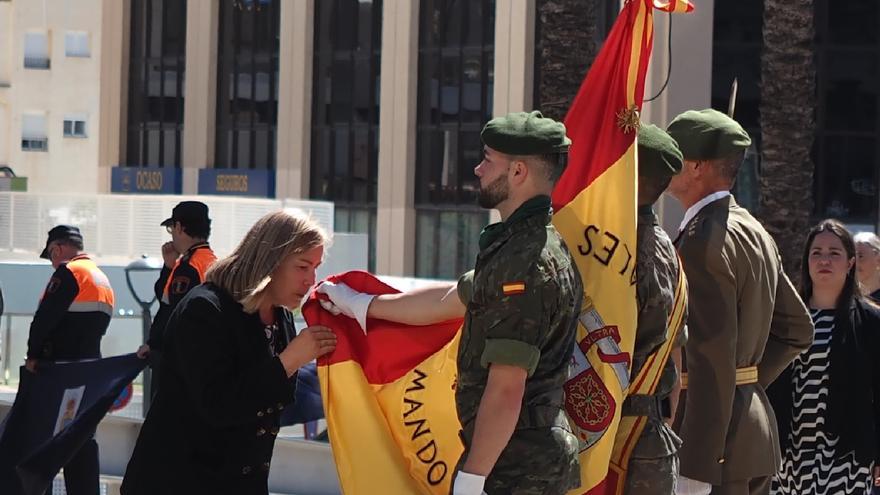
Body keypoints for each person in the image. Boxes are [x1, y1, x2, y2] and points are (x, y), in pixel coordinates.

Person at [319, 110, 583, 495]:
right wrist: (362, 304)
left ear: (518, 172)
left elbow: (507, 387)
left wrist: (472, 479)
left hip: (517, 470)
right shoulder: (525, 247)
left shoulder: (523, 262)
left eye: (488, 160)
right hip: (519, 460)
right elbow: (451, 298)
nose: (477, 169)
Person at [121, 211, 338, 495]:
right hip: (178, 481)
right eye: (302, 267)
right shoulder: (206, 308)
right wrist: (290, 360)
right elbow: (219, 405)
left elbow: (272, 405)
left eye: (316, 268)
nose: (311, 280)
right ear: (271, 260)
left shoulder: (280, 316)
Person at [665, 109, 814, 495]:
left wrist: (696, 466)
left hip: (715, 448)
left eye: (672, 155)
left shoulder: (701, 243)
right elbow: (797, 329)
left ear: (696, 166)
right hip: (751, 431)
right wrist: (745, 384)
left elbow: (711, 356)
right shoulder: (753, 228)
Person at [766, 219, 880, 495]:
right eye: (816, 252)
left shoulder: (870, 321)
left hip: (847, 456)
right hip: (788, 455)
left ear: (850, 262)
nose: (824, 260)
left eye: (834, 253)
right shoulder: (784, 319)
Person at [624, 124, 689, 494]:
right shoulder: (668, 248)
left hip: (616, 436)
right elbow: (675, 360)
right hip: (653, 435)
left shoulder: (618, 249)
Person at [27, 225, 115, 495]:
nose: (52, 263)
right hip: (90, 373)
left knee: (45, 439)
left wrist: (33, 355)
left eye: (51, 256)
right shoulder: (101, 279)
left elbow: (45, 319)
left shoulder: (68, 273)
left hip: (60, 372)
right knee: (81, 439)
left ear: (57, 248)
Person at [136, 201, 217, 398]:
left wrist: (153, 345)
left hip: (177, 362)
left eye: (172, 229)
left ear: (180, 227)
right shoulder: (211, 261)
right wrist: (169, 266)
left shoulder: (189, 267)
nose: (172, 235)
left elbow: (174, 312)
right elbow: (164, 293)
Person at [854, 232, 880, 302]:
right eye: (852, 257)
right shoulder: (846, 300)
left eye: (860, 256)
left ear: (878, 260)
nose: (854, 263)